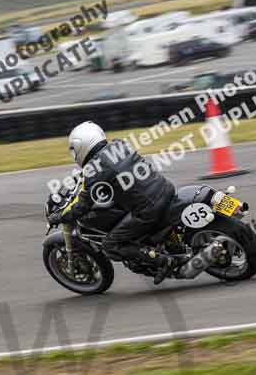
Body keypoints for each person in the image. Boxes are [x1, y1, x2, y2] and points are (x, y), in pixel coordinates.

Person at [47, 121, 177, 284]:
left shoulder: (94, 171)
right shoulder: (118, 145)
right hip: (164, 188)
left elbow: (81, 206)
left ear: (81, 146)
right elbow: (113, 171)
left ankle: (163, 261)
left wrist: (59, 216)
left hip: (148, 209)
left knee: (110, 244)